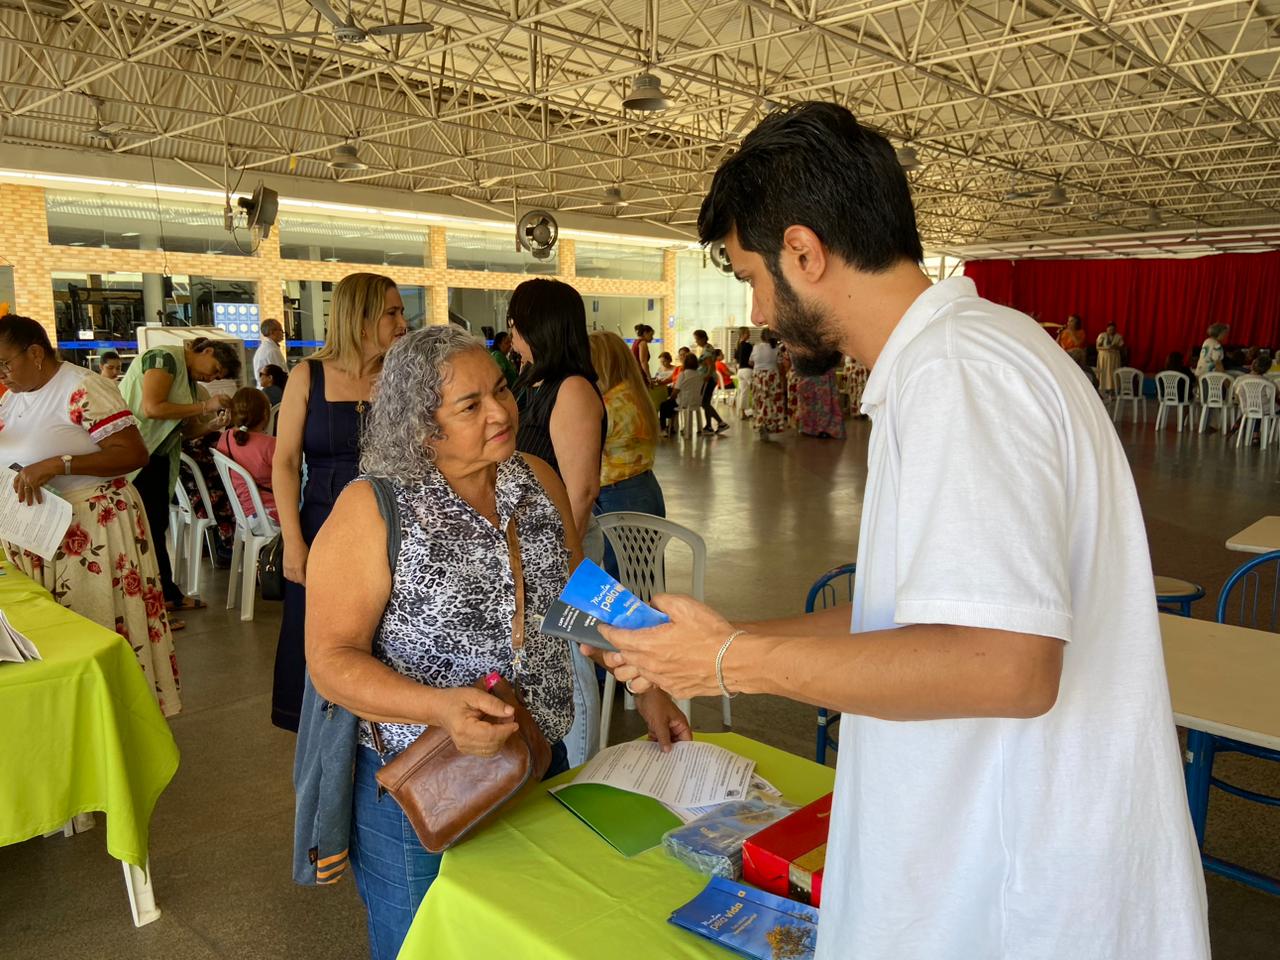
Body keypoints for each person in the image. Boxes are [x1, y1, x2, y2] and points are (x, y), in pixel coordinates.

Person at [599, 102, 1209, 960]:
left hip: (1014, 902)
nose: (760, 308)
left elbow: (1008, 665)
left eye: (753, 278)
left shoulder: (960, 375)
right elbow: (916, 618)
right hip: (991, 876)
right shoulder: (960, 360)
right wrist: (724, 637)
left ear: (805, 252)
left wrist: (735, 663)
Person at [305, 327, 690, 959]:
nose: (501, 412)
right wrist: (439, 708)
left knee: (533, 934)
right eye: (470, 405)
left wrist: (650, 684)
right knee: (425, 942)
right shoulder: (371, 509)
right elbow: (330, 662)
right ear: (421, 426)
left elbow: (578, 592)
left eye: (502, 390)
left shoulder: (534, 477)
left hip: (537, 762)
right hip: (425, 786)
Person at [0, 314, 180, 715]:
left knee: (96, 628)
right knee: (59, 640)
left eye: (4, 364)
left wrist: (58, 464)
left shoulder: (83, 387)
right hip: (40, 530)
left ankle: (119, 718)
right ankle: (74, 718)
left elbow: (134, 454)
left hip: (92, 530)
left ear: (34, 353)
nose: (3, 375)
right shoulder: (12, 396)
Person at [271, 272, 407, 732]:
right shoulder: (307, 375)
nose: (402, 323)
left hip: (391, 526)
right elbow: (286, 463)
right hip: (320, 523)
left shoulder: (402, 378)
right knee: (314, 632)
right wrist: (292, 540)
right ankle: (318, 731)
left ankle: (382, 722)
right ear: (361, 317)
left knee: (384, 630)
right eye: (392, 312)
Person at [507, 278, 607, 766]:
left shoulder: (572, 390)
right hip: (527, 549)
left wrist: (564, 559)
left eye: (515, 324)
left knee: (572, 662)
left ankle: (581, 767)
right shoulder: (531, 384)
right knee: (543, 664)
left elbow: (581, 488)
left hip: (560, 551)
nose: (510, 337)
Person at [119, 334, 239, 622]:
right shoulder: (164, 358)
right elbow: (152, 407)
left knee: (155, 529)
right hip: (133, 454)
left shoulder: (189, 383)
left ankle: (165, 596)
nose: (211, 378)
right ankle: (152, 605)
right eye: (215, 370)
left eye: (219, 377)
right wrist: (204, 407)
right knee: (143, 532)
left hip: (155, 458)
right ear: (207, 350)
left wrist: (211, 423)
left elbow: (183, 431)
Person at [587, 331, 666, 577]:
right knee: (643, 575)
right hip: (640, 487)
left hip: (620, 494)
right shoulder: (632, 393)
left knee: (625, 577)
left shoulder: (610, 404)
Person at [215, 387, 278, 523]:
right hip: (271, 515)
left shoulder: (225, 438)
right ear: (266, 415)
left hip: (242, 515)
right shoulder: (270, 445)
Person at [749, 331, 787, 436]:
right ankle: (772, 424)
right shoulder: (776, 348)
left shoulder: (756, 347)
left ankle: (760, 422)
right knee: (773, 401)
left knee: (759, 400)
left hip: (758, 376)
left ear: (761, 337)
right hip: (772, 376)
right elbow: (780, 365)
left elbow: (751, 362)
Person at [794, 367, 845, 438]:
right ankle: (814, 428)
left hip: (820, 372)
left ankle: (823, 428)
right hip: (812, 371)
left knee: (823, 402)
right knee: (813, 402)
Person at [1095, 323, 1123, 396]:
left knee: (1112, 372)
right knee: (1104, 371)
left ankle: (1113, 389)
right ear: (1106, 329)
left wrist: (1114, 346)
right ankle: (1102, 388)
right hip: (1103, 356)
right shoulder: (1102, 336)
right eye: (1109, 329)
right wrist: (1106, 348)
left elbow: (1120, 346)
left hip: (1114, 357)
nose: (1111, 331)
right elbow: (1098, 347)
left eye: (1112, 329)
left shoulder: (1118, 337)